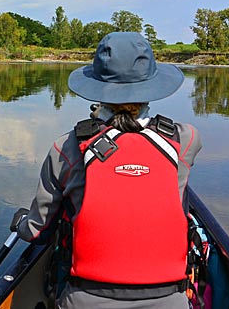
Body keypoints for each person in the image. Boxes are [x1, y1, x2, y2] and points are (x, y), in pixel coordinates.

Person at [11, 32, 202, 309]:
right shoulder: (186, 140)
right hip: (169, 301)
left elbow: (38, 232)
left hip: (86, 300)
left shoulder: (66, 147)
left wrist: (21, 223)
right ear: (151, 84)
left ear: (97, 88)